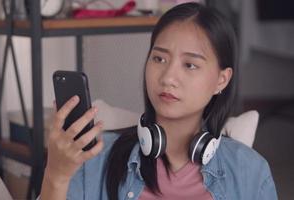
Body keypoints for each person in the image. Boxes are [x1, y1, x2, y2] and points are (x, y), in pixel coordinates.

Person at [40, 2, 277, 200]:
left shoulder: (250, 172)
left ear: (221, 80)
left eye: (190, 65)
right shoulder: (95, 159)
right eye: (159, 59)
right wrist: (56, 175)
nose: (168, 77)